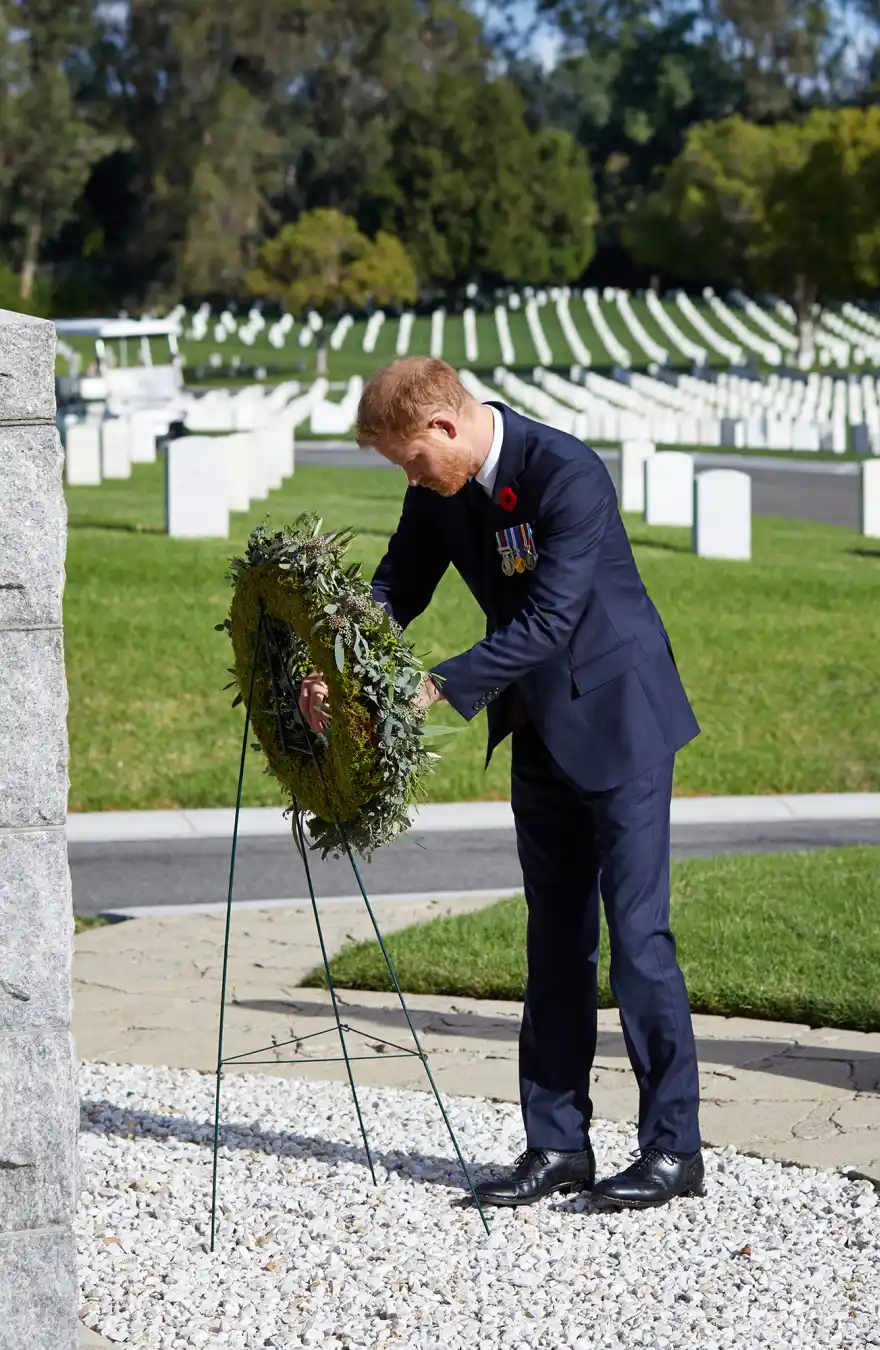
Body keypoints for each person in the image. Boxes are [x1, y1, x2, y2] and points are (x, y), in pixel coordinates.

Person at [299, 357, 704, 1210]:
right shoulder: (437, 495)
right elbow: (394, 586)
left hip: (621, 722)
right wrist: (337, 663)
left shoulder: (565, 472)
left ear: (446, 426)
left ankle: (673, 1149)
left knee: (637, 940)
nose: (411, 477)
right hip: (538, 732)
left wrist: (439, 684)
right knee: (554, 943)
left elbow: (553, 618)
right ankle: (557, 1144)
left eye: (411, 459)